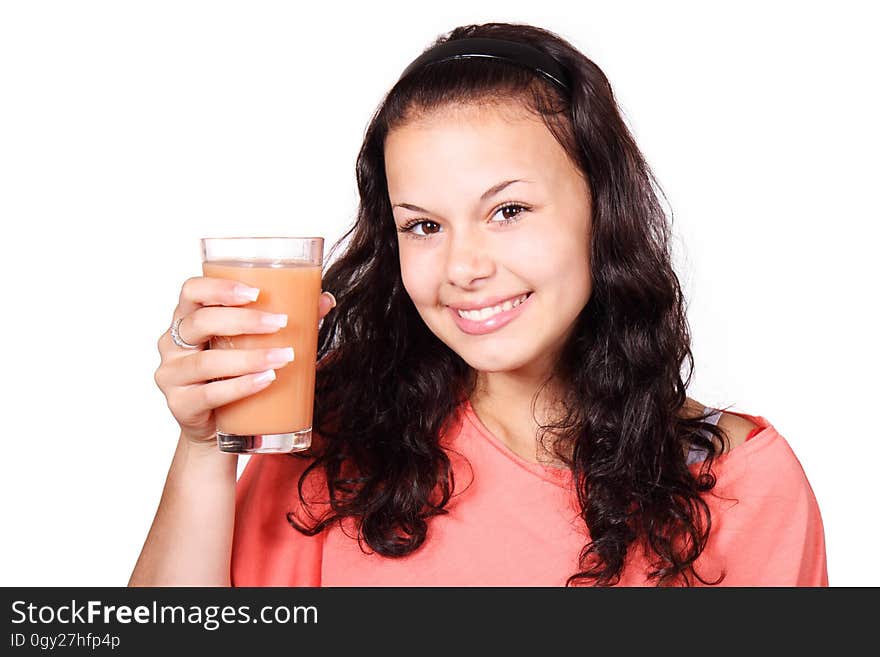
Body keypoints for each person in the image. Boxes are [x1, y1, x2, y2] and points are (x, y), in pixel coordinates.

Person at [130, 22, 828, 587]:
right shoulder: (330, 443)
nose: (464, 268)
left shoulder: (742, 486)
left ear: (602, 209)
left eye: (508, 210)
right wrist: (202, 449)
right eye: (424, 226)